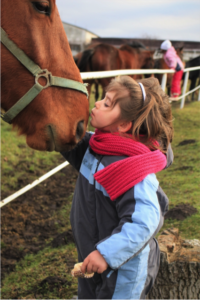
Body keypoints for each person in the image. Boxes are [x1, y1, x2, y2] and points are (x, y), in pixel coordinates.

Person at [61, 76, 174, 300]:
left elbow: (143, 222)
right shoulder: (96, 147)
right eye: (102, 98)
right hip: (93, 256)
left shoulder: (133, 170)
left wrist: (106, 254)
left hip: (124, 270)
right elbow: (67, 139)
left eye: (107, 103)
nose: (97, 103)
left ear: (123, 125)